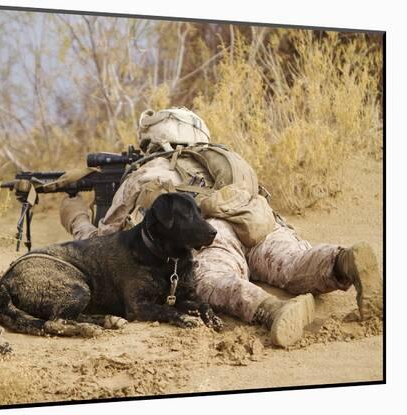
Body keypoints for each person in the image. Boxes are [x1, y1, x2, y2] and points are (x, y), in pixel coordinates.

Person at [59, 107, 383, 347]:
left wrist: (76, 217)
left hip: (209, 233)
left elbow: (107, 242)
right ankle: (343, 260)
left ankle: (272, 311)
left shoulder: (149, 172)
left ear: (153, 139)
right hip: (258, 221)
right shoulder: (224, 160)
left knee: (214, 279)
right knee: (295, 263)